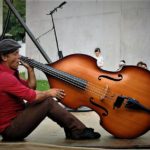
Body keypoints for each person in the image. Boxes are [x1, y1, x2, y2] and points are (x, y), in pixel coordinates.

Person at [0, 39, 100, 141]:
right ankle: (77, 130)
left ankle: (74, 129)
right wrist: (50, 92)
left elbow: (31, 88)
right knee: (47, 101)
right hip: (11, 130)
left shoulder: (10, 73)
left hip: (18, 117)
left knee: (45, 99)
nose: (19, 57)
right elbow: (33, 97)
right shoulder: (4, 77)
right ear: (4, 57)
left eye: (18, 53)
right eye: (15, 54)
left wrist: (30, 69)